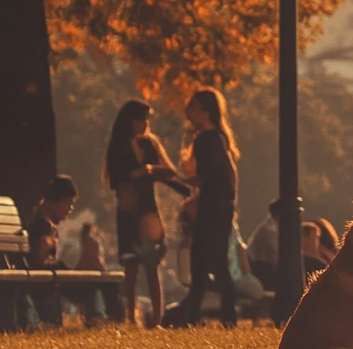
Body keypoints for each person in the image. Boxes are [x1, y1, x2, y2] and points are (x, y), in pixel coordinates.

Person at [105, 99, 179, 328]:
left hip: (148, 210)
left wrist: (149, 169)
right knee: (131, 265)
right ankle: (130, 316)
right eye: (141, 119)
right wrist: (136, 173)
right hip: (127, 209)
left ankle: (157, 319)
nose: (145, 123)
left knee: (151, 263)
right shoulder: (118, 146)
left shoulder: (151, 144)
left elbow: (169, 170)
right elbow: (115, 179)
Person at [179, 87, 240, 328]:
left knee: (207, 261)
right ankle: (203, 315)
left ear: (206, 112)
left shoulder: (209, 139)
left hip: (213, 208)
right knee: (208, 261)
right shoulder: (215, 138)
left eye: (194, 107)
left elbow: (212, 176)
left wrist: (177, 179)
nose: (189, 112)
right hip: (217, 206)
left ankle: (213, 315)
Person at [23, 176, 105, 327]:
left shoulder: (43, 221)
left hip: (48, 275)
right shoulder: (43, 225)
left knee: (89, 282)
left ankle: (96, 319)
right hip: (42, 276)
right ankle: (96, 320)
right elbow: (38, 257)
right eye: (69, 202)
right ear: (57, 200)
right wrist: (47, 245)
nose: (71, 208)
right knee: (88, 287)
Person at [246, 200, 282, 291]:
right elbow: (276, 256)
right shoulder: (269, 230)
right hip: (260, 267)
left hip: (264, 266)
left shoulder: (273, 227)